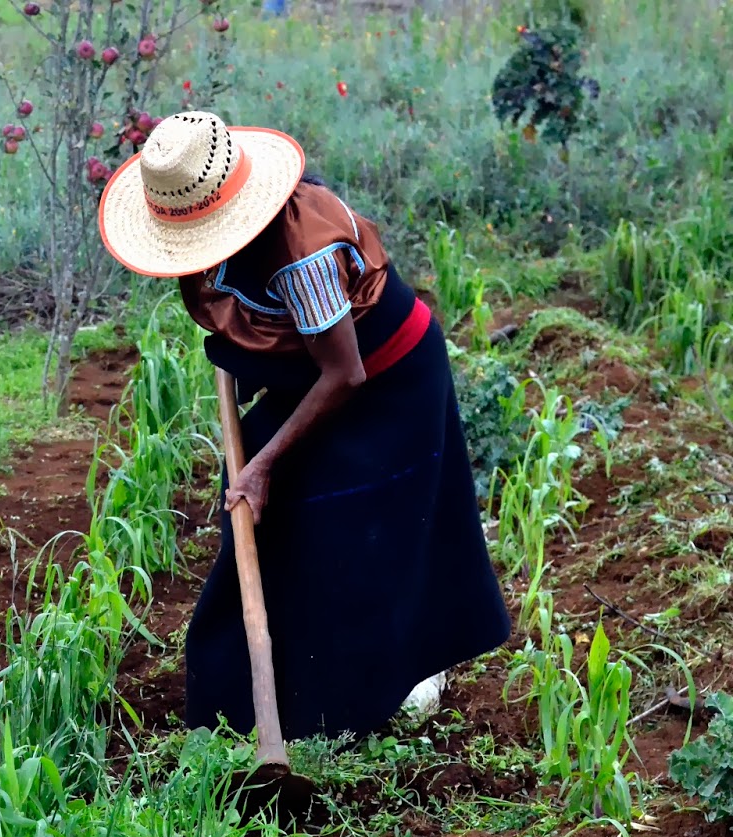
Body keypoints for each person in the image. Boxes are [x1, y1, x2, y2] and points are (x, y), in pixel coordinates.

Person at [96, 110, 510, 742]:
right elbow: (271, 326)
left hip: (387, 381)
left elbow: (344, 374)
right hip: (325, 375)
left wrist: (262, 464)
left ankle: (366, 696)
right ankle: (252, 699)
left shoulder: (303, 257)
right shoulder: (230, 232)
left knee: (348, 530)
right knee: (270, 517)